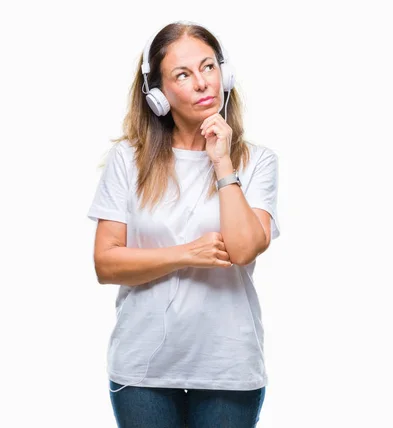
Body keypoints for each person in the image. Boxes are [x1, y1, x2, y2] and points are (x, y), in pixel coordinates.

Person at [87, 21, 280, 428]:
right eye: (183, 74)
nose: (202, 83)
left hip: (228, 369)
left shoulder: (258, 161)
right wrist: (187, 254)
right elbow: (106, 263)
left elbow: (244, 249)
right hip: (142, 372)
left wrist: (222, 162)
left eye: (209, 67)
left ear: (224, 74)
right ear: (157, 95)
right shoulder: (128, 160)